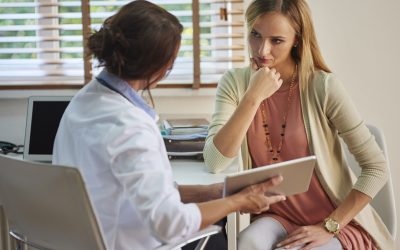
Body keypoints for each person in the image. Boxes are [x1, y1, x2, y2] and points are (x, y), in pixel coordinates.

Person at [52, 1, 286, 250]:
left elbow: (145, 189)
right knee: (221, 239)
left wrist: (212, 192)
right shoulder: (131, 127)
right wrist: (237, 202)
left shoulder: (83, 101)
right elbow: (170, 223)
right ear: (160, 67)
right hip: (127, 242)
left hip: (87, 239)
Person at [203, 0, 394, 249]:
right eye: (255, 35)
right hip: (276, 217)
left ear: (297, 39)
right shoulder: (235, 83)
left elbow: (376, 167)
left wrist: (330, 226)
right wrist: (253, 97)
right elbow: (215, 162)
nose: (262, 50)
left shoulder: (322, 86)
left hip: (335, 222)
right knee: (248, 242)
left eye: (277, 40)